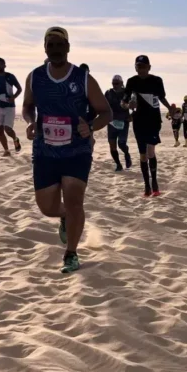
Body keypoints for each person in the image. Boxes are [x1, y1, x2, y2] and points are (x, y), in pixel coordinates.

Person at [22, 26, 111, 273]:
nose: (56, 50)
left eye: (60, 45)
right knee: (46, 207)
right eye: (51, 45)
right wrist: (31, 123)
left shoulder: (82, 78)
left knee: (74, 201)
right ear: (45, 48)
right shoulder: (35, 77)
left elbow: (106, 111)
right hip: (45, 151)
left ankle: (71, 253)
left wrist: (90, 126)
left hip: (76, 151)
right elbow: (28, 106)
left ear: (68, 48)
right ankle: (64, 216)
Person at [125, 55, 171, 197]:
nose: (141, 69)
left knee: (151, 151)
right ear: (135, 67)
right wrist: (128, 105)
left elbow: (162, 98)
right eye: (138, 66)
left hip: (153, 121)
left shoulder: (156, 81)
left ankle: (155, 184)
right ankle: (146, 186)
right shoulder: (131, 82)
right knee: (143, 154)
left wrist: (170, 108)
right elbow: (124, 102)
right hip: (138, 121)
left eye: (144, 66)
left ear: (149, 67)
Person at [0, 58, 23, 156]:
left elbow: (19, 88)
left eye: (0, 64)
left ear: (4, 65)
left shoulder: (10, 76)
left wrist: (13, 97)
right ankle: (6, 150)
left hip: (10, 107)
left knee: (8, 129)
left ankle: (15, 139)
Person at [106, 74, 133, 171]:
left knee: (121, 143)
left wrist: (132, 116)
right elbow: (104, 106)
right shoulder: (108, 93)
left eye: (117, 83)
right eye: (113, 83)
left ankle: (126, 154)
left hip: (123, 122)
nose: (115, 85)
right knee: (112, 145)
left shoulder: (127, 93)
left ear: (121, 83)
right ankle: (118, 164)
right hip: (112, 122)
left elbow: (136, 104)